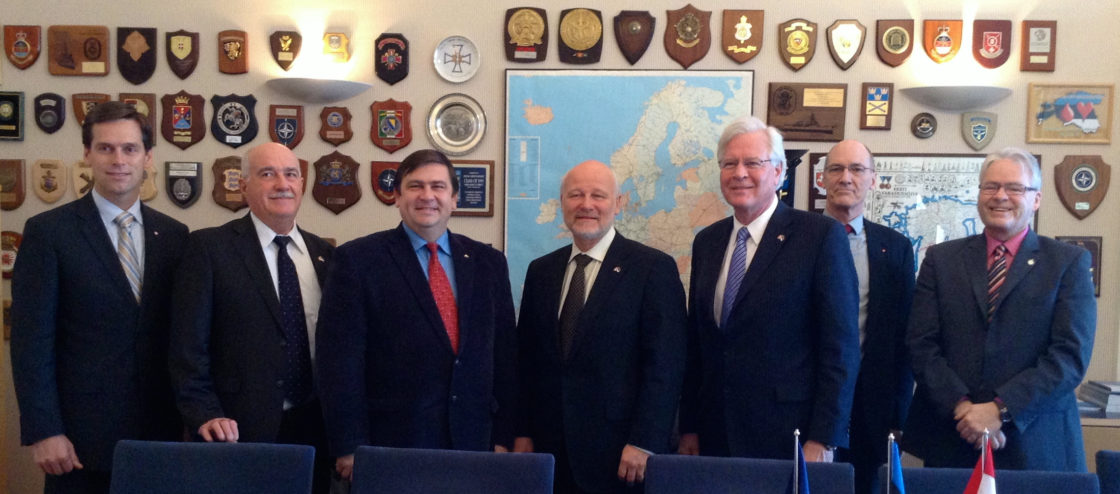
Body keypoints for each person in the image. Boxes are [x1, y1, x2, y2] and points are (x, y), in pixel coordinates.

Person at [10, 101, 189, 494]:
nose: (118, 160)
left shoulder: (175, 236)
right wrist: (45, 430)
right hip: (78, 443)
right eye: (106, 148)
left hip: (161, 438)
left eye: (130, 149)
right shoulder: (49, 233)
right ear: (87, 154)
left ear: (148, 157)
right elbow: (30, 342)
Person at [316, 149, 517, 480]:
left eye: (438, 187)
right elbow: (339, 363)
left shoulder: (488, 263)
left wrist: (504, 435)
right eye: (415, 186)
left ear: (454, 199)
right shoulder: (358, 261)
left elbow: (505, 356)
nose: (427, 196)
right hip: (391, 443)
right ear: (397, 197)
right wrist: (348, 444)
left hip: (474, 441)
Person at [678, 115, 860, 462]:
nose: (739, 173)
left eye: (753, 163)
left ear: (778, 172)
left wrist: (824, 438)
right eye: (729, 163)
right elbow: (699, 344)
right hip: (714, 434)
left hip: (789, 436)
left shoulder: (819, 237)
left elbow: (841, 348)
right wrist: (689, 426)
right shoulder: (707, 242)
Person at [904, 147, 1095, 471]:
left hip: (1035, 443)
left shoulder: (1068, 262)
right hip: (954, 437)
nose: (1000, 196)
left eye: (1014, 188)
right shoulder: (941, 260)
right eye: (991, 186)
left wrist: (999, 409)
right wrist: (963, 408)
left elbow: (1070, 355)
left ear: (1036, 199)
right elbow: (921, 344)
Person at [168, 142, 334, 493]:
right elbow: (187, 347)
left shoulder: (325, 255)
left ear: (302, 184)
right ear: (244, 185)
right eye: (267, 174)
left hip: (314, 429)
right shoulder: (210, 249)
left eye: (290, 174)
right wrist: (204, 413)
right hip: (235, 430)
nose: (282, 184)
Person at [514, 160, 687, 493]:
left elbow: (666, 365)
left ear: (618, 203)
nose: (586, 205)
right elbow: (527, 360)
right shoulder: (541, 271)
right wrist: (522, 431)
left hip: (620, 454)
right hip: (549, 452)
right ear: (562, 202)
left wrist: (645, 441)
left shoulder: (652, 269)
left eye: (598, 195)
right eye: (575, 195)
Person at [822, 140, 915, 494]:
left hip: (872, 409)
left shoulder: (896, 248)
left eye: (857, 169)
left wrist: (898, 416)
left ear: (873, 180)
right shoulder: (797, 239)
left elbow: (904, 338)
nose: (846, 177)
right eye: (836, 169)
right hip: (809, 406)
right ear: (822, 179)